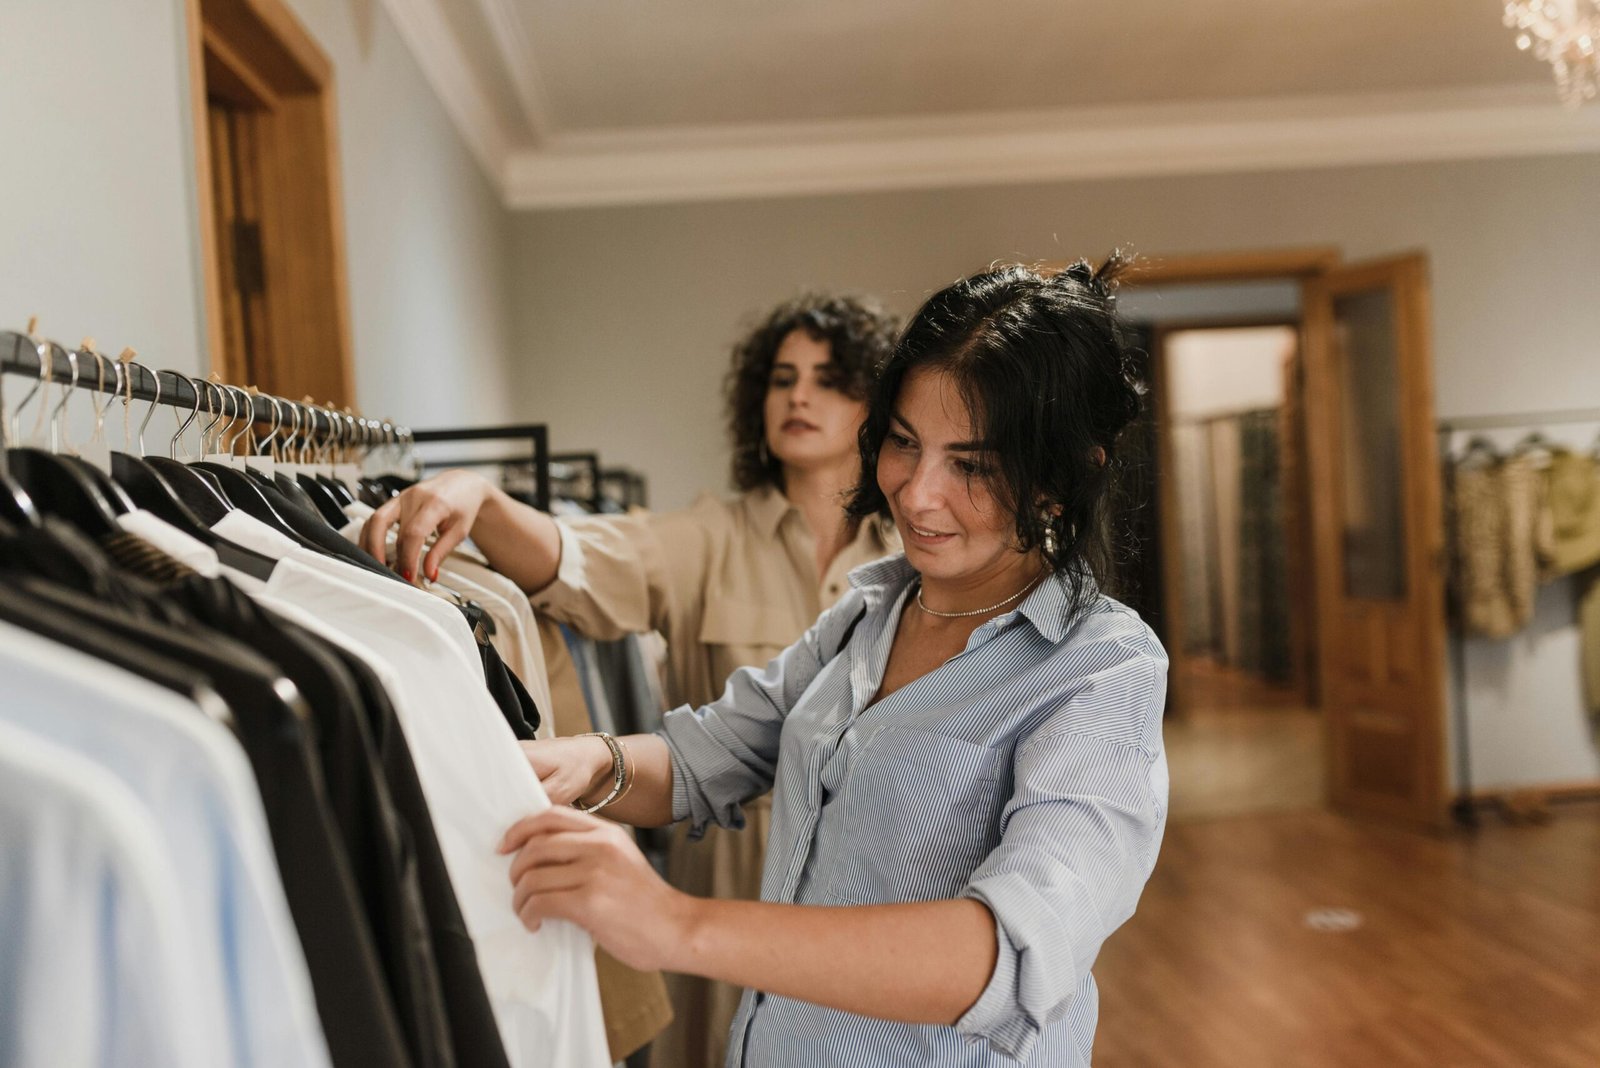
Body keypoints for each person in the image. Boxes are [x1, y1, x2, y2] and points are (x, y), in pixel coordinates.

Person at [495, 258, 1170, 1067]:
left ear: (1066, 476)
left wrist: (677, 922)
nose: (917, 495)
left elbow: (1011, 954)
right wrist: (571, 762)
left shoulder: (1100, 672)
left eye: (974, 466)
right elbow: (706, 754)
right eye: (905, 444)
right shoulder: (869, 613)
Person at [361, 294, 902, 1065]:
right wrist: (476, 497)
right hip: (721, 888)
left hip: (866, 892)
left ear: (874, 406)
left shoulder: (912, 561)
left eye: (830, 378)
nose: (799, 395)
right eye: (782, 378)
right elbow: (572, 560)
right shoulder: (711, 536)